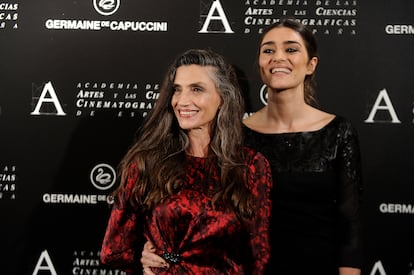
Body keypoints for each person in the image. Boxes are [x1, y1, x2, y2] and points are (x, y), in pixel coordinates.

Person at [140, 19, 363, 275]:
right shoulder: (235, 135)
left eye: (291, 49)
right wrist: (160, 249)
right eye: (268, 50)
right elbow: (194, 212)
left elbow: (350, 227)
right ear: (259, 62)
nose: (278, 57)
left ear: (311, 64)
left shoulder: (338, 132)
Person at [100, 49, 273, 274]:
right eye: (177, 90)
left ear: (223, 97)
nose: (182, 101)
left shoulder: (251, 165)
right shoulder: (148, 163)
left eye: (197, 89)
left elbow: (259, 257)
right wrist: (141, 261)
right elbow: (112, 251)